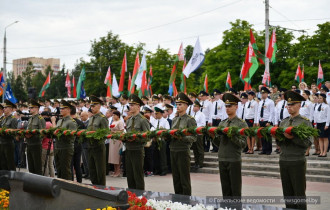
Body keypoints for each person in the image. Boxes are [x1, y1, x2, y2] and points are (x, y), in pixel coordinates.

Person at [276, 90, 312, 210]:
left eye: (292, 104)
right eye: (288, 104)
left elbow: (307, 143)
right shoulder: (284, 122)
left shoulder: (305, 122)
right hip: (284, 159)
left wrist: (292, 137)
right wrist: (277, 137)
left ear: (299, 105)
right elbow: (280, 143)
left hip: (297, 160)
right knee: (287, 194)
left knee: (299, 194)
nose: (289, 107)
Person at [212, 93, 247, 206]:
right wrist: (213, 136)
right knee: (225, 190)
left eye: (230, 106)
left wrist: (232, 135)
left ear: (236, 107)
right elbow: (218, 144)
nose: (227, 108)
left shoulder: (241, 123)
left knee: (235, 190)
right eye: (226, 106)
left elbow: (243, 144)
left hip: (234, 159)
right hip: (222, 158)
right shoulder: (222, 123)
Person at [170, 92, 197, 195]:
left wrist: (182, 137)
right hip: (173, 149)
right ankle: (177, 199)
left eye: (180, 104)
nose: (178, 106)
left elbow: (194, 137)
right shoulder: (174, 119)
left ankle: (186, 200)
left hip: (183, 150)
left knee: (184, 178)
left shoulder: (190, 120)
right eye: (177, 104)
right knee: (176, 178)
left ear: (186, 106)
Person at [125, 94, 150, 190]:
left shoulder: (143, 120)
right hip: (128, 149)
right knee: (130, 175)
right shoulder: (129, 120)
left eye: (132, 105)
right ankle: (131, 195)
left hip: (137, 150)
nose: (130, 107)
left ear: (138, 107)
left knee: (137, 175)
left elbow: (147, 136)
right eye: (129, 105)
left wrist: (136, 139)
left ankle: (140, 196)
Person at [51, 100, 77, 180]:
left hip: (66, 148)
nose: (61, 110)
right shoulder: (59, 121)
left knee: (65, 171)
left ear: (69, 110)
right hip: (58, 147)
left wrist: (59, 133)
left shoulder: (71, 122)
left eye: (63, 108)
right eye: (61, 108)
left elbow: (72, 137)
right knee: (59, 170)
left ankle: (67, 188)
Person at [86, 95, 109, 185]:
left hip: (98, 146)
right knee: (92, 169)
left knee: (100, 170)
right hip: (90, 146)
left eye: (93, 106)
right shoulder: (91, 118)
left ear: (99, 106)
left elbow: (106, 133)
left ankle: (102, 189)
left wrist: (95, 135)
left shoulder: (102, 118)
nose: (91, 108)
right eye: (91, 106)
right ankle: (94, 187)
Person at [25, 99, 46, 175]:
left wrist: (33, 135)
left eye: (32, 108)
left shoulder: (40, 119)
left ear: (37, 108)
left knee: (37, 166)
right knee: (31, 166)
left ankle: (38, 185)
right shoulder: (30, 118)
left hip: (36, 144)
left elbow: (43, 134)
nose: (30, 109)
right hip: (29, 144)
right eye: (29, 108)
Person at [0, 100, 18, 171]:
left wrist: (5, 132)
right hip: (2, 143)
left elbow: (14, 133)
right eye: (4, 107)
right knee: (2, 163)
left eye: (6, 107)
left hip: (8, 143)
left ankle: (12, 180)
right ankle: (4, 180)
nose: (4, 109)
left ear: (11, 109)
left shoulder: (13, 119)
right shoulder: (3, 119)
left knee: (10, 163)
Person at [256, 87, 275, 155]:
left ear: (267, 94)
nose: (262, 95)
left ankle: (268, 150)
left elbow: (271, 112)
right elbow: (258, 112)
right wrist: (258, 121)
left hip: (267, 120)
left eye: (264, 93)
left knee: (267, 136)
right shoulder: (260, 102)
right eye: (261, 93)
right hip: (261, 120)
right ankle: (263, 149)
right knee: (262, 136)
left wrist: (269, 121)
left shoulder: (270, 102)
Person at [152, 107, 170, 176]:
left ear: (161, 114)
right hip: (155, 140)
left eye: (157, 114)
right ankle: (157, 169)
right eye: (155, 114)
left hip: (161, 140)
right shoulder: (154, 121)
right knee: (155, 155)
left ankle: (163, 170)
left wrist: (161, 133)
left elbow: (167, 131)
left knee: (162, 156)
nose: (155, 115)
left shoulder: (165, 121)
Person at [108, 110, 124, 177]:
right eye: (113, 115)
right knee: (113, 156)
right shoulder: (114, 121)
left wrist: (114, 132)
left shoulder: (120, 122)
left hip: (117, 140)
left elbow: (121, 131)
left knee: (117, 156)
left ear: (118, 115)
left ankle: (118, 171)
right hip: (112, 139)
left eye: (114, 115)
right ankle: (115, 171)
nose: (113, 116)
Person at [313, 93, 329, 157]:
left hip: (324, 123)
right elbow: (315, 115)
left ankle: (325, 152)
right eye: (318, 98)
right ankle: (321, 152)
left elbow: (328, 116)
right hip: (318, 123)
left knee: (325, 138)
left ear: (323, 99)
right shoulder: (317, 106)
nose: (319, 99)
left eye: (320, 98)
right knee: (320, 138)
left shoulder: (326, 106)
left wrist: (327, 124)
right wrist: (315, 124)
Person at [71, 107, 84, 183]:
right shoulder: (80, 122)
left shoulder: (70, 122)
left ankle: (71, 182)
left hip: (71, 145)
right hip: (78, 145)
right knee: (77, 166)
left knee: (70, 165)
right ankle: (79, 182)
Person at [191, 100, 206, 169]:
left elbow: (203, 124)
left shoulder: (201, 114)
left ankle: (200, 163)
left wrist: (196, 129)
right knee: (195, 149)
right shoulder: (193, 114)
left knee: (199, 148)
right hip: (193, 133)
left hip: (199, 133)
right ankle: (196, 162)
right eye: (193, 106)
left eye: (195, 106)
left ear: (198, 107)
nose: (193, 107)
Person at [41, 111, 55, 177]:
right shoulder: (51, 124)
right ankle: (53, 177)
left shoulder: (45, 124)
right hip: (51, 146)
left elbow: (42, 137)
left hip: (45, 146)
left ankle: (45, 179)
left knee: (44, 165)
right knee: (51, 165)